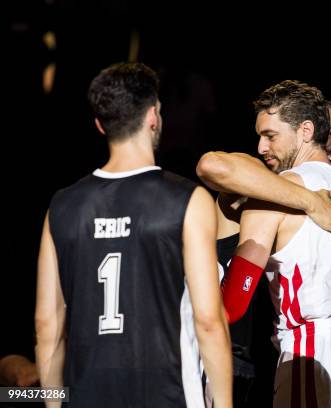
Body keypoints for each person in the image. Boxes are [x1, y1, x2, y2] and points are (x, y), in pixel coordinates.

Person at [35, 62, 232, 408]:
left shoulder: (61, 207)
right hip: (166, 393)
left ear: (100, 125)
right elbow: (209, 320)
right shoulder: (188, 199)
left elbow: (47, 324)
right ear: (154, 115)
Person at [219, 80, 331, 407]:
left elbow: (234, 303)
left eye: (270, 136)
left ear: (306, 130)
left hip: (310, 350)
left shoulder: (275, 192)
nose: (261, 148)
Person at [196, 100, 331, 406]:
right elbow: (211, 166)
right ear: (306, 133)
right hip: (211, 351)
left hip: (256, 357)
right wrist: (310, 201)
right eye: (329, 134)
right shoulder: (259, 178)